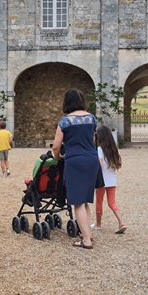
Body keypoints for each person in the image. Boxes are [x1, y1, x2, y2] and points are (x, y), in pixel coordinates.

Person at [52, 89, 100, 250]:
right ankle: (88, 233)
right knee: (85, 199)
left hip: (75, 161)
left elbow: (56, 146)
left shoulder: (65, 122)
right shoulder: (92, 118)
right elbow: (93, 138)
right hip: (92, 159)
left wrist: (57, 157)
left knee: (77, 202)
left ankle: (86, 240)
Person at [92, 125, 126, 234]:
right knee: (111, 202)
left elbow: (99, 164)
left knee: (99, 201)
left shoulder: (100, 149)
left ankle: (98, 224)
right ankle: (121, 222)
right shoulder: (113, 149)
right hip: (112, 180)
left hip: (102, 180)